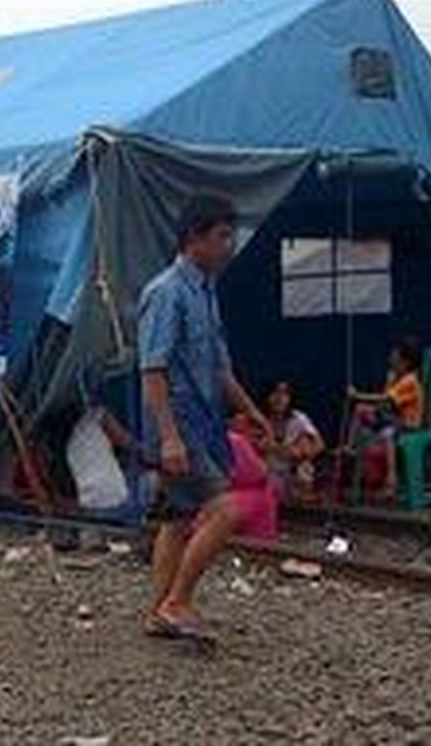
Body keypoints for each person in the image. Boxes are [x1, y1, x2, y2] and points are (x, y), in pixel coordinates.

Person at [138, 193, 271, 643]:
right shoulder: (166, 293)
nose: (229, 246)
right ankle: (178, 602)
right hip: (180, 422)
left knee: (176, 519)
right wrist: (169, 437)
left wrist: (251, 410)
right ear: (195, 238)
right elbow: (152, 368)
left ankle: (159, 611)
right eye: (222, 236)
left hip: (205, 420)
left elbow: (219, 369)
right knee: (225, 511)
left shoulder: (206, 292)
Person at [348, 337, 425, 504]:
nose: (391, 358)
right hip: (392, 418)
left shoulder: (409, 381)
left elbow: (386, 401)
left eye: (395, 356)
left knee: (386, 433)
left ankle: (391, 481)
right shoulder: (394, 377)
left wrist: (357, 395)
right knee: (361, 410)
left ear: (406, 362)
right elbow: (385, 408)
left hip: (408, 424)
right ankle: (351, 448)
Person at [260, 381, 325, 501]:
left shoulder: (299, 418)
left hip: (291, 468)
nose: (279, 398)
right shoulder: (259, 418)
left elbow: (319, 445)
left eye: (284, 394)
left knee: (305, 466)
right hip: (267, 468)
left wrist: (302, 453)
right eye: (275, 393)